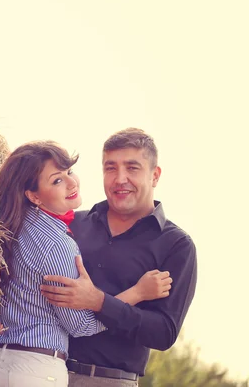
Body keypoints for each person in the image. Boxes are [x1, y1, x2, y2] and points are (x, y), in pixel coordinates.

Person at [0, 140, 172, 387]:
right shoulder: (59, 243)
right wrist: (137, 292)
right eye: (57, 180)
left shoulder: (7, 227)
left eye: (69, 172)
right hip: (34, 370)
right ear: (33, 195)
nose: (72, 183)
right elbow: (81, 326)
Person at [40, 128, 198, 386]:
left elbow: (163, 333)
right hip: (46, 371)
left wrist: (99, 302)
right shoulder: (73, 225)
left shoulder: (176, 245)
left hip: (110, 380)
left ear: (154, 175)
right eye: (110, 168)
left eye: (132, 168)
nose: (119, 179)